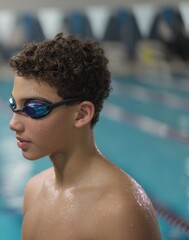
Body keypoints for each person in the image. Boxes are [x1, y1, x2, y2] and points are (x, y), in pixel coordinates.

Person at [8, 33, 161, 239]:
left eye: (34, 108)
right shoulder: (34, 190)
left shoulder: (119, 209)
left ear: (81, 114)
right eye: (14, 105)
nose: (14, 123)